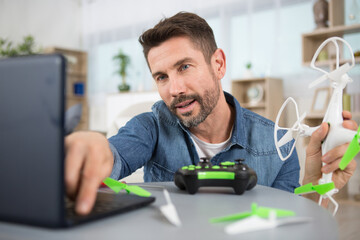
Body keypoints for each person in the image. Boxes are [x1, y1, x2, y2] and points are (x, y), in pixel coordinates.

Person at [65, 12, 358, 215]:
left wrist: (317, 182)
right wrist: (96, 152)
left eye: (184, 67)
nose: (174, 89)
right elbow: (115, 156)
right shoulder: (151, 126)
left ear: (218, 64)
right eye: (161, 77)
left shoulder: (277, 142)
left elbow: (289, 226)